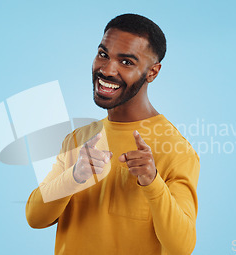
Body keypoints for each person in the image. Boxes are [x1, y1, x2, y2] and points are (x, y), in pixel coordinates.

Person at [26, 13, 200, 255]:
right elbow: (35, 218)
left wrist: (152, 182)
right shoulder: (78, 139)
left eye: (126, 62)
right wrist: (73, 177)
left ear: (152, 72)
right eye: (103, 55)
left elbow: (182, 247)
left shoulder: (176, 149)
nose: (107, 70)